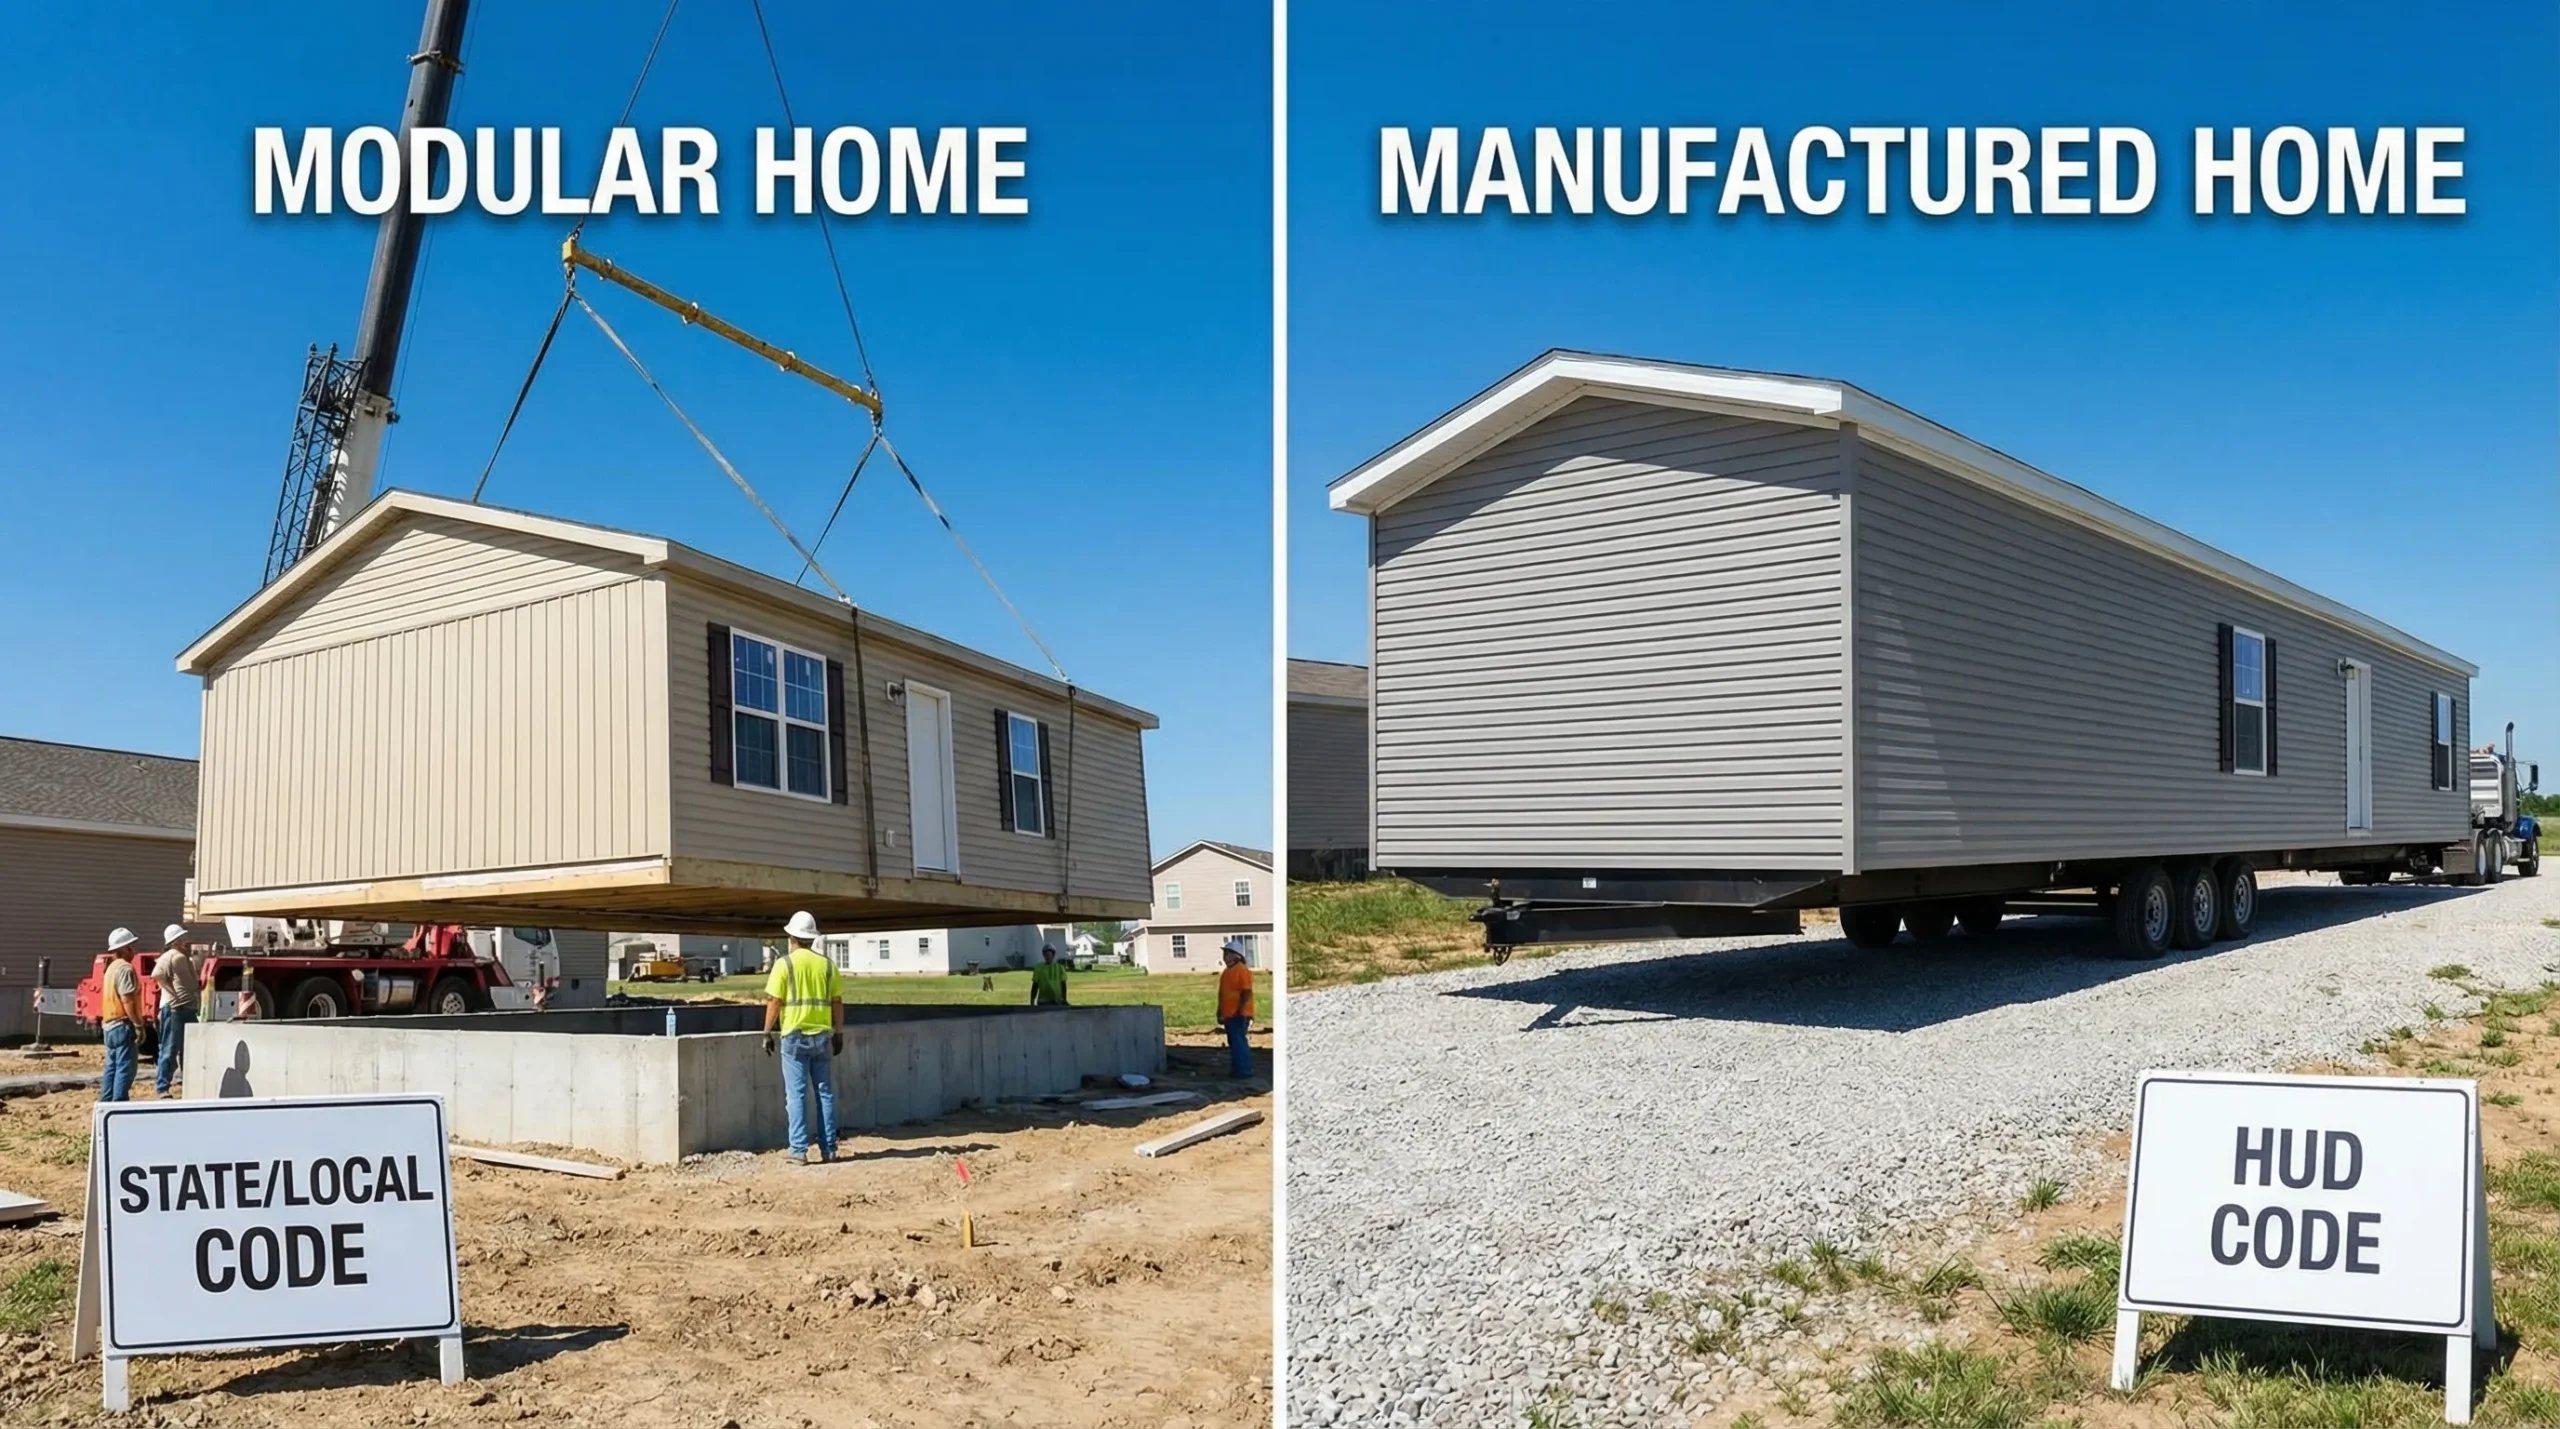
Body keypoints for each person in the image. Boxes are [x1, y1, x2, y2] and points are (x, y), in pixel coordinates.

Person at [762, 911, 843, 1165]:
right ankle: (829, 1149)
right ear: (812, 938)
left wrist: (767, 1032)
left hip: (794, 1037)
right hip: (821, 1036)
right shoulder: (828, 965)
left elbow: (775, 1001)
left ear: (791, 937)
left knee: (796, 1095)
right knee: (825, 1093)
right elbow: (837, 1002)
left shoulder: (784, 965)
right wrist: (839, 1032)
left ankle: (798, 1150)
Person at [150, 923, 200, 1096]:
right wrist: (172, 994)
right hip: (175, 1009)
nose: (187, 942)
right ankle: (162, 1087)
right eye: (183, 939)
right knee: (170, 1048)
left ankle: (187, 1083)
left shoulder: (182, 957)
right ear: (176, 942)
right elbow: (156, 975)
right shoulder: (172, 956)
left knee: (188, 1048)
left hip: (185, 1008)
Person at [97, 929, 142, 1102]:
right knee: (125, 1068)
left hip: (109, 1025)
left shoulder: (110, 969)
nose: (134, 951)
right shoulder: (125, 968)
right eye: (131, 947)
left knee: (112, 1067)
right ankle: (119, 1103)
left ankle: (106, 1103)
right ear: (123, 949)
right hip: (123, 1025)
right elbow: (127, 999)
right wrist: (138, 1025)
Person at [1218, 938, 1257, 1078]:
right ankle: (1237, 1069)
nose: (1225, 957)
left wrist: (1240, 1011)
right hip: (1228, 1014)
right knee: (1233, 1042)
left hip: (1240, 1013)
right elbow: (1222, 994)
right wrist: (1220, 1011)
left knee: (1239, 1041)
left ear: (1237, 955)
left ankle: (1244, 1070)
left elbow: (1246, 992)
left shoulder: (1241, 970)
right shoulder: (1226, 972)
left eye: (1228, 953)